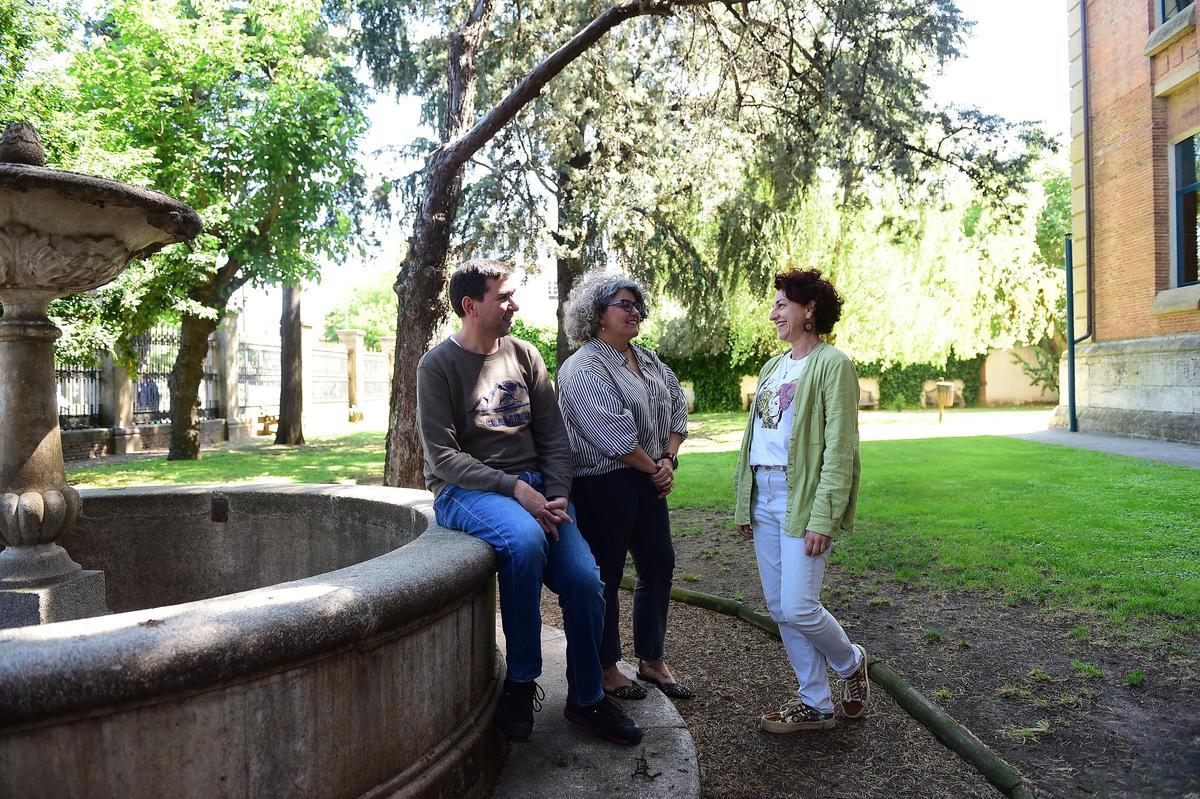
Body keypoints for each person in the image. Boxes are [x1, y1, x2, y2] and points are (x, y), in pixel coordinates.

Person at [416, 259, 642, 746]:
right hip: (468, 491)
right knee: (523, 541)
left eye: (513, 295)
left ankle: (586, 699)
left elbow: (555, 439)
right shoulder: (436, 366)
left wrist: (557, 494)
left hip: (540, 487)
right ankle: (521, 683)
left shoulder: (526, 356)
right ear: (470, 305)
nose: (513, 304)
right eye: (504, 297)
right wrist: (517, 490)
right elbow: (443, 457)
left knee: (585, 579)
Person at [732, 267, 872, 733]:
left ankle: (850, 664)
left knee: (799, 606)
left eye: (780, 304)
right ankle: (815, 701)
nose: (773, 313)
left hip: (803, 496)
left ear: (808, 309)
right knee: (777, 607)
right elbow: (755, 438)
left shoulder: (834, 365)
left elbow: (841, 447)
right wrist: (745, 501)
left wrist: (824, 516)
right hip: (764, 493)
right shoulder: (774, 367)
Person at [557, 271, 692, 702]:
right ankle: (608, 666)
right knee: (607, 574)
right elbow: (608, 434)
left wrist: (668, 460)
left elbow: (677, 410)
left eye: (637, 304)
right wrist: (654, 467)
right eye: (624, 304)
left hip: (650, 475)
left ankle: (652, 659)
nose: (635, 311)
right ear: (598, 315)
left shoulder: (648, 360)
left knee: (659, 566)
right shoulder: (582, 367)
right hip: (603, 483)